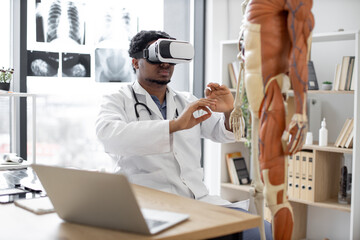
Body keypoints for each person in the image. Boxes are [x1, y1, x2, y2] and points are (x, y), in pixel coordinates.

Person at [96, 30, 272, 239]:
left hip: (199, 200)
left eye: (169, 57)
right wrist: (174, 125)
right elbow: (109, 136)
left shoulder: (187, 100)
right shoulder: (117, 100)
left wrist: (227, 111)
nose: (165, 64)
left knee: (263, 231)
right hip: (150, 204)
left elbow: (224, 133)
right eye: (155, 57)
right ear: (135, 62)